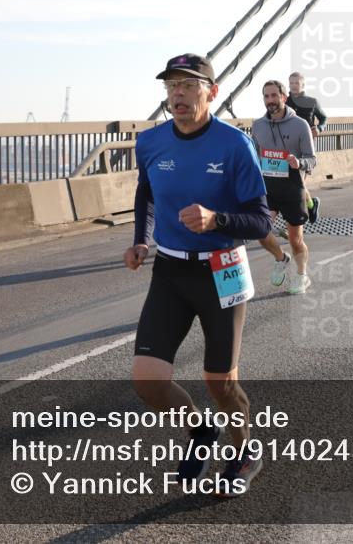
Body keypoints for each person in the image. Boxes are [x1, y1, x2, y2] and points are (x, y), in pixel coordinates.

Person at [126, 53, 270, 496]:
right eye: (172, 87)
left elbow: (261, 222)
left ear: (212, 91)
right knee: (148, 381)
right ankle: (201, 432)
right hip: (169, 270)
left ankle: (245, 450)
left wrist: (216, 220)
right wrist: (141, 239)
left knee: (220, 383)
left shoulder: (234, 144)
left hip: (221, 271)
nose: (178, 95)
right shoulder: (150, 143)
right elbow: (146, 195)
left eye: (189, 86)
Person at [252, 80, 317, 294]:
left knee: (295, 239)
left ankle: (301, 275)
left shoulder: (300, 125)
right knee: (261, 231)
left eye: (273, 96)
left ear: (284, 97)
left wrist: (299, 163)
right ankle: (281, 258)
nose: (270, 100)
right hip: (268, 188)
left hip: (291, 188)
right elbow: (254, 156)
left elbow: (312, 159)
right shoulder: (258, 125)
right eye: (266, 96)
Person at [287, 72, 328, 223]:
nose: (293, 86)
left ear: (303, 85)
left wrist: (320, 128)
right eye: (291, 83)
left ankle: (297, 218)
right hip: (288, 146)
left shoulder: (312, 101)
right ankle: (311, 204)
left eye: (296, 83)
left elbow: (324, 118)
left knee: (298, 182)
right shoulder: (284, 101)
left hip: (306, 147)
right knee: (295, 183)